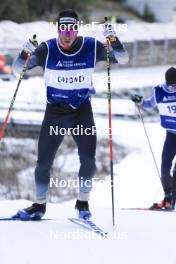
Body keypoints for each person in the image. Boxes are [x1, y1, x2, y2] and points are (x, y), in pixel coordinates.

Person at [13, 9, 129, 220]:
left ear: (77, 29)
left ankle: (82, 202)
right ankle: (39, 206)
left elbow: (123, 57)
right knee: (43, 162)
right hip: (55, 112)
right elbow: (17, 69)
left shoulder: (91, 46)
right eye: (63, 28)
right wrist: (24, 52)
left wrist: (113, 38)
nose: (67, 33)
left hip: (81, 111)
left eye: (72, 28)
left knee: (88, 159)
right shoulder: (47, 48)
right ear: (58, 29)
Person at [131, 67, 176, 210]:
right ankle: (168, 197)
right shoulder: (160, 92)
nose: (174, 88)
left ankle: (172, 198)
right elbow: (149, 104)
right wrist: (139, 101)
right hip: (171, 134)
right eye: (171, 85)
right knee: (165, 166)